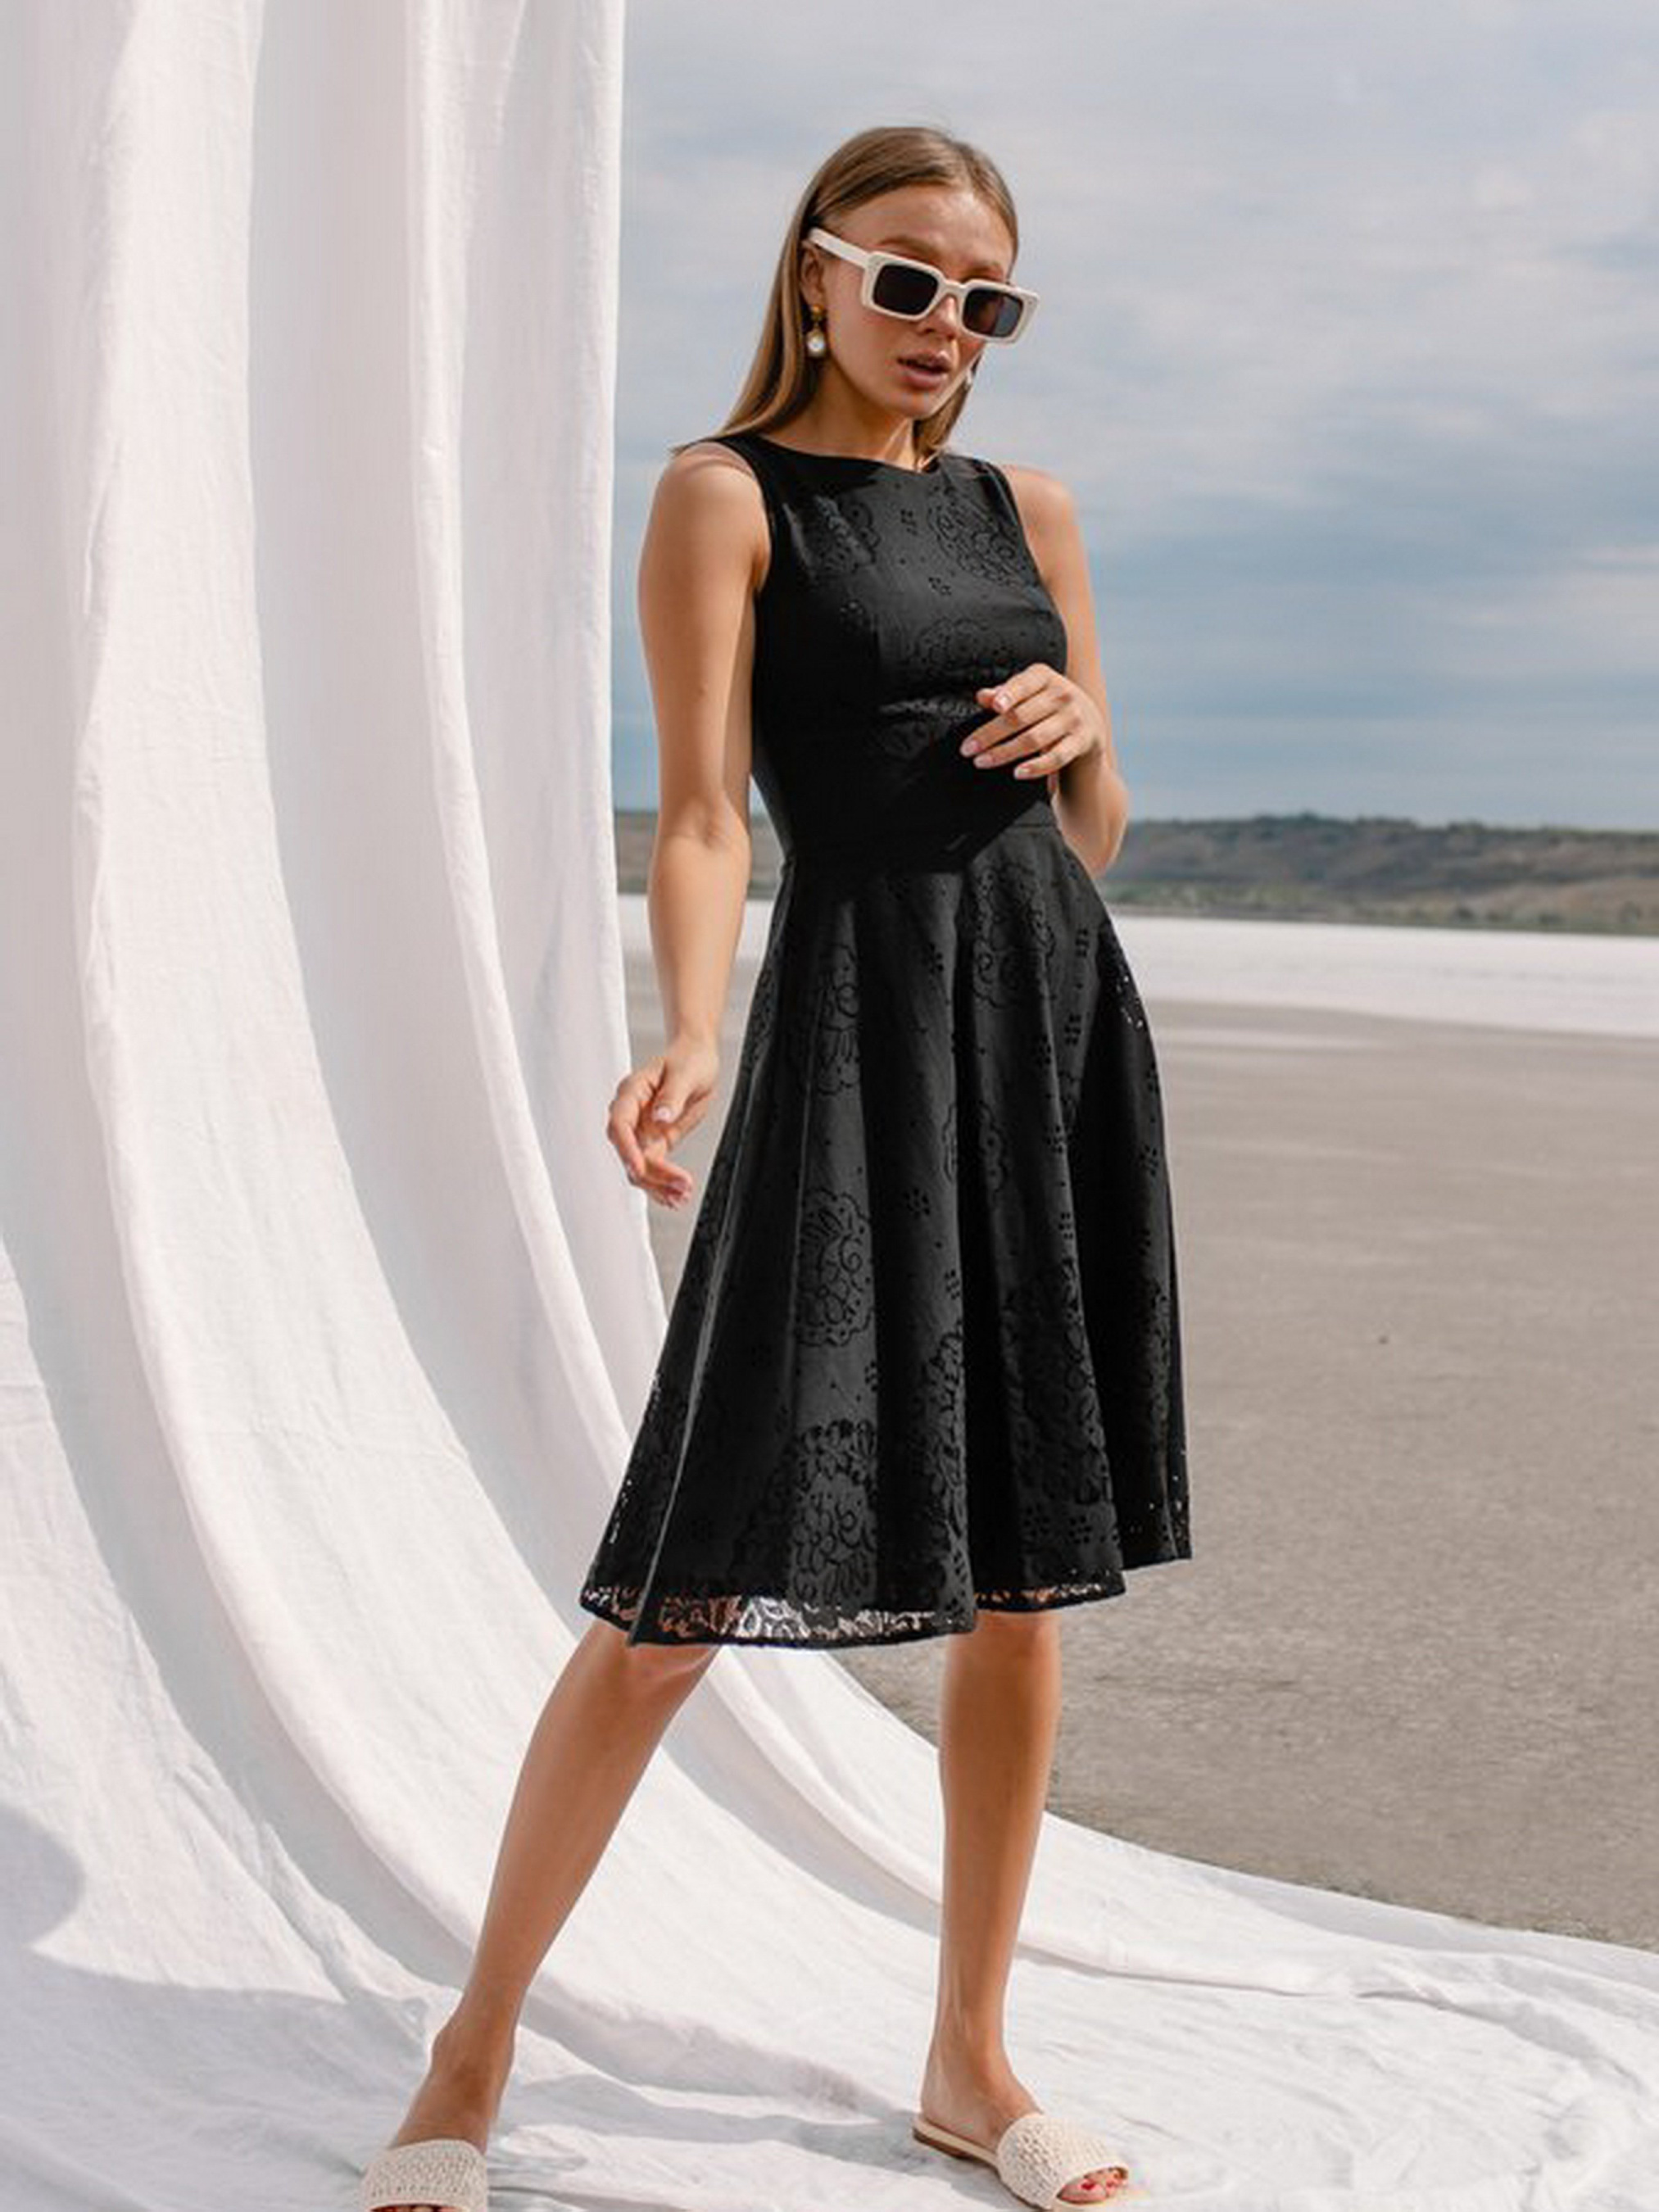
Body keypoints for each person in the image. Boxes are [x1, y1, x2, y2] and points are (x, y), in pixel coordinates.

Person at [360, 122, 1190, 2212]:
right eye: (904, 279)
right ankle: (471, 2048)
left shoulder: (1030, 510)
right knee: (681, 1588)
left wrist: (1079, 727)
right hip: (849, 1030)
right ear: (814, 272)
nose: (942, 326)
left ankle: (969, 2063)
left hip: (1039, 1025)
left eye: (984, 302)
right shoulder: (723, 495)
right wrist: (692, 1026)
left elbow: (1088, 837)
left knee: (1017, 1592)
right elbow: (705, 809)